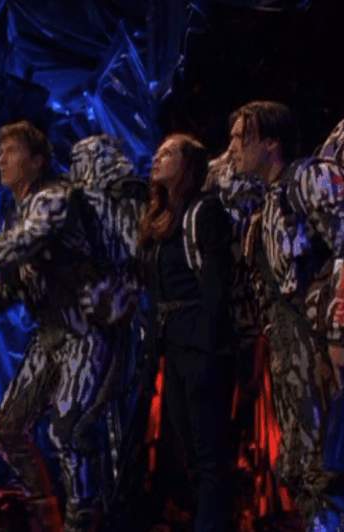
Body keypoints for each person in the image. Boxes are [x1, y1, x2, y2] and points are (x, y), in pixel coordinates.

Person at [0, 122, 143, 532]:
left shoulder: (55, 198)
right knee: (7, 429)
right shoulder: (15, 216)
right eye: (0, 151)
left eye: (12, 151)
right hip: (50, 334)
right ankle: (49, 516)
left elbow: (24, 243)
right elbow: (11, 288)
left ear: (37, 161)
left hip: (87, 331)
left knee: (69, 431)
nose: (2, 159)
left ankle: (82, 520)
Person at [225, 101, 344, 529]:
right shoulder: (269, 202)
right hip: (289, 348)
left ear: (272, 142)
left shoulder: (308, 179)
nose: (233, 148)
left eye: (242, 137)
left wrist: (342, 335)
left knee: (321, 465)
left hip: (317, 344)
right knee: (300, 463)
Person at [137, 133, 236, 532]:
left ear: (189, 165)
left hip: (200, 345)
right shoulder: (162, 219)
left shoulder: (204, 212)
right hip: (174, 344)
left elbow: (215, 287)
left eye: (168, 153)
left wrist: (208, 348)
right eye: (158, 151)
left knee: (208, 450)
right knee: (191, 449)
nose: (157, 157)